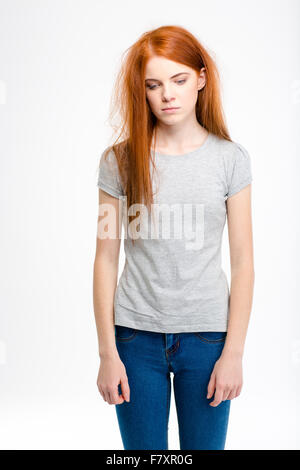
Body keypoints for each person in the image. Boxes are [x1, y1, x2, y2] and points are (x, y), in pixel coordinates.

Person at [93, 25, 254, 450]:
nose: (168, 94)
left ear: (201, 78)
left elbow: (243, 262)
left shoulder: (230, 160)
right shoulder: (120, 161)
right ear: (142, 91)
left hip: (207, 340)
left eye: (179, 80)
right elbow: (106, 258)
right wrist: (107, 353)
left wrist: (233, 353)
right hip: (134, 338)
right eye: (154, 85)